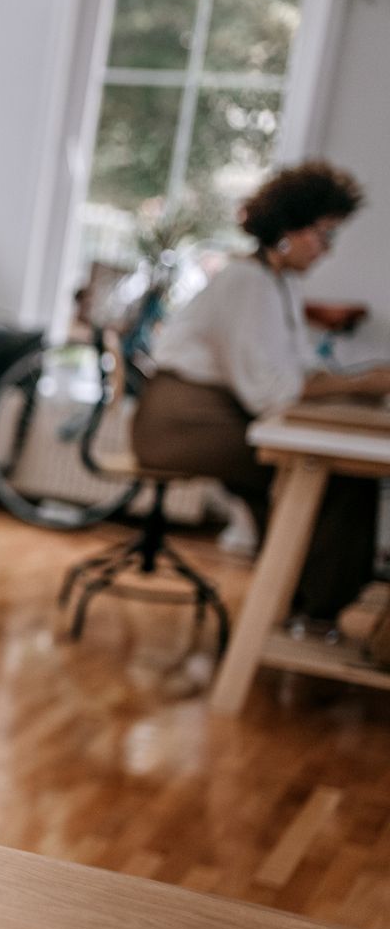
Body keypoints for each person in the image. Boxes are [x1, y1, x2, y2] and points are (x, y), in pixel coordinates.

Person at [132, 161, 388, 626]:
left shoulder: (280, 285)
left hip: (217, 416)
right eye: (324, 235)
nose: (328, 250)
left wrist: (353, 384)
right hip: (181, 423)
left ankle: (303, 599)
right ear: (290, 229)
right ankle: (312, 608)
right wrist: (361, 383)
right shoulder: (245, 282)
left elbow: (299, 374)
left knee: (332, 472)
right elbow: (272, 394)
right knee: (327, 471)